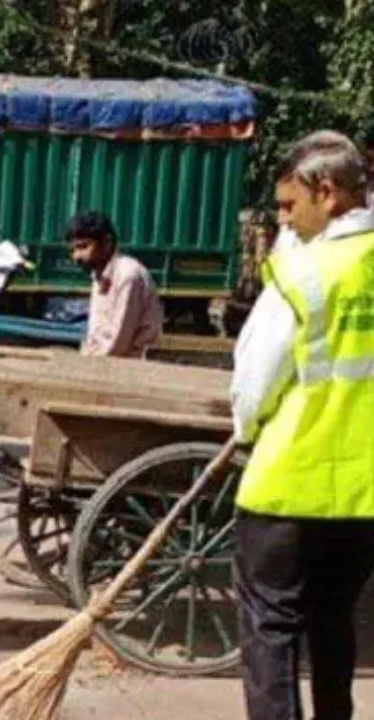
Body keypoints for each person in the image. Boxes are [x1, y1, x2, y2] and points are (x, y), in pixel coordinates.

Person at [231, 130, 374, 720]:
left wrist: (245, 426)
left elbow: (255, 381)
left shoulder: (302, 274)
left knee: (269, 631)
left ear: (328, 191)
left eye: (291, 206)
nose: (285, 221)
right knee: (334, 620)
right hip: (365, 496)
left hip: (287, 488)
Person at [64, 211, 162, 357]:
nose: (76, 256)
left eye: (83, 247)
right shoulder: (99, 276)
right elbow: (95, 336)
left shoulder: (128, 276)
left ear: (107, 243)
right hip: (104, 363)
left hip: (129, 367)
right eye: (73, 250)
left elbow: (118, 345)